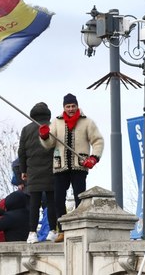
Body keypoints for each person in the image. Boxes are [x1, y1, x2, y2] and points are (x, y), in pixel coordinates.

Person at [39, 93, 104, 242]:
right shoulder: (56, 122)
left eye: (73, 106)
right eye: (68, 106)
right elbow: (49, 144)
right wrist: (44, 136)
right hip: (60, 166)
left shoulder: (87, 122)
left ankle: (79, 228)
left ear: (77, 106)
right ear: (64, 107)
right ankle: (62, 230)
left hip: (79, 166)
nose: (70, 109)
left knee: (80, 197)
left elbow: (98, 140)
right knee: (58, 199)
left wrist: (94, 158)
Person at [19, 102, 58, 243]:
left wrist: (23, 170)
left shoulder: (26, 130)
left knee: (34, 202)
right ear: (48, 115)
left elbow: (21, 152)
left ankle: (32, 233)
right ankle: (53, 231)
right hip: (51, 169)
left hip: (33, 170)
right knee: (52, 201)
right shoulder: (53, 127)